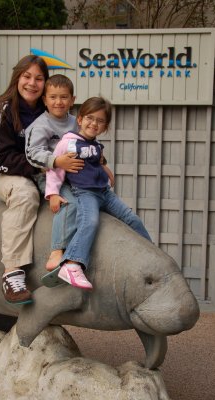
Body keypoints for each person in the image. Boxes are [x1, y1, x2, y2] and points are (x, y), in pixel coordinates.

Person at [45, 97, 152, 290]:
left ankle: (152, 254)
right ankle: (72, 264)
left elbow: (98, 162)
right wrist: (52, 193)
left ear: (105, 126)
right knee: (90, 221)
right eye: (90, 118)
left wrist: (107, 171)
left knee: (132, 219)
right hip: (84, 193)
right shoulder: (67, 144)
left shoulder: (95, 145)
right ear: (80, 119)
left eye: (100, 121)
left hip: (104, 192)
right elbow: (54, 170)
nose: (94, 123)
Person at [0, 55, 49, 305]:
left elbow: (72, 138)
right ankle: (12, 273)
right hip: (5, 174)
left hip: (43, 172)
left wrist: (102, 165)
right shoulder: (1, 109)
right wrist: (41, 167)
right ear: (17, 77)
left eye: (39, 78)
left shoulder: (48, 109)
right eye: (27, 76)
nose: (32, 83)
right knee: (25, 195)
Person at [25, 74, 85, 270]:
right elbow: (32, 154)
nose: (58, 102)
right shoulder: (41, 125)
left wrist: (101, 160)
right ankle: (56, 251)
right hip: (48, 176)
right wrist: (57, 161)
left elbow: (89, 141)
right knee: (69, 205)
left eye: (64, 97)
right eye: (53, 97)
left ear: (72, 100)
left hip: (75, 175)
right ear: (44, 100)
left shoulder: (77, 122)